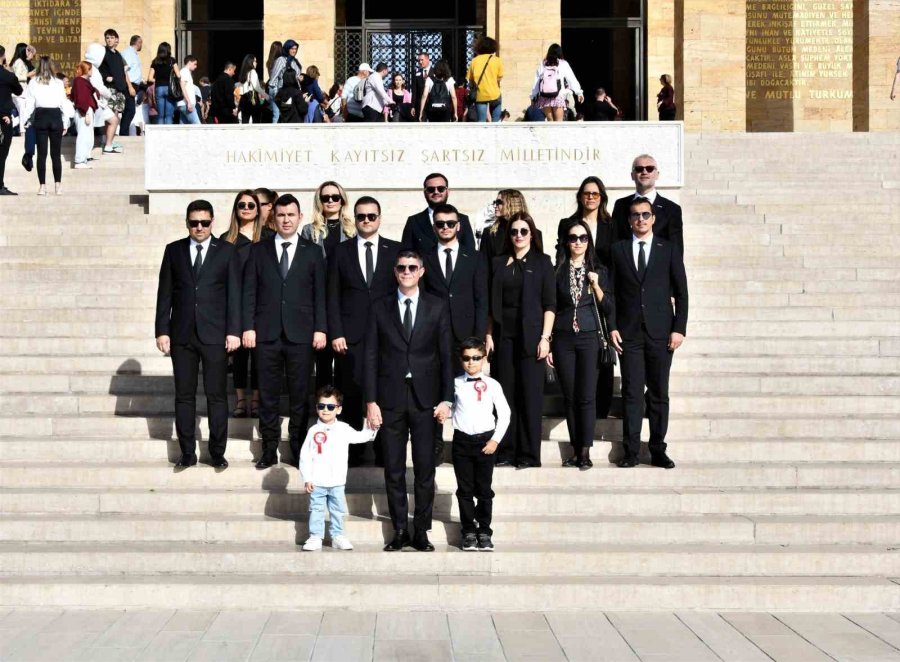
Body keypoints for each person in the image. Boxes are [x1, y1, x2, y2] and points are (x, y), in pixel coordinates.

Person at [364, 251, 454, 552]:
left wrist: (446, 399)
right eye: (401, 267)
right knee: (393, 468)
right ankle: (400, 529)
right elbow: (371, 357)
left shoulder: (437, 307)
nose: (406, 271)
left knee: (425, 469)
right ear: (395, 271)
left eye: (412, 267)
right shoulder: (379, 308)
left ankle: (421, 530)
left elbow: (445, 356)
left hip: (426, 401)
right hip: (389, 400)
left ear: (422, 271)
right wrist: (371, 401)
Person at [154, 199, 242, 469]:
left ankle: (217, 452)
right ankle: (187, 452)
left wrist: (234, 331)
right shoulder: (174, 251)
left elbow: (234, 296)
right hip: (182, 335)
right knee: (184, 395)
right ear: (187, 223)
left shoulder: (226, 251)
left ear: (212, 222)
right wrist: (161, 330)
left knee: (216, 395)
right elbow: (165, 293)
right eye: (194, 223)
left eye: (204, 222)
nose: (200, 227)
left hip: (215, 335)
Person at [242, 194, 327, 469]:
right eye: (281, 215)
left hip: (301, 335)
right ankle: (268, 448)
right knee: (267, 394)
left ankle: (298, 448)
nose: (286, 219)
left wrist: (321, 329)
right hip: (266, 334)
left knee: (300, 395)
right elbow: (249, 293)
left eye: (291, 214)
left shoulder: (313, 252)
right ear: (273, 218)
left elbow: (320, 295)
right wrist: (247, 327)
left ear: (300, 217)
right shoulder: (258, 250)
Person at [608, 197, 689, 470]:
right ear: (629, 219)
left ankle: (657, 449)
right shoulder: (618, 250)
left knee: (658, 394)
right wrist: (612, 326)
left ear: (653, 218)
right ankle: (630, 451)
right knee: (631, 393)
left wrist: (679, 328)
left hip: (661, 333)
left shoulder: (668, 250)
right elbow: (613, 294)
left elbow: (682, 293)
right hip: (629, 334)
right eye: (635, 215)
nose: (640, 219)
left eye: (645, 214)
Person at [327, 196, 401, 466]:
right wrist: (335, 332)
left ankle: (384, 452)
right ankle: (353, 454)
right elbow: (332, 295)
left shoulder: (396, 251)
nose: (366, 221)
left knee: (385, 395)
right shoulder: (340, 251)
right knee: (352, 392)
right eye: (361, 216)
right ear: (354, 219)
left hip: (387, 337)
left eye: (371, 216)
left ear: (379, 218)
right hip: (350, 337)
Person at [421, 202, 489, 463]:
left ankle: (468, 444)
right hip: (435, 335)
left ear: (459, 226)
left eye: (450, 223)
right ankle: (436, 445)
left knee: (469, 392)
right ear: (434, 226)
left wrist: (479, 338)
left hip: (466, 336)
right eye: (440, 224)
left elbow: (481, 299)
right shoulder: (424, 256)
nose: (446, 228)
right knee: (437, 391)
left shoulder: (474, 257)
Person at [486, 213, 555, 468]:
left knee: (530, 397)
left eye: (523, 231)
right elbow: (491, 307)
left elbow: (550, 304)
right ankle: (505, 450)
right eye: (514, 231)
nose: (518, 236)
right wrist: (489, 334)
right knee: (505, 397)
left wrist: (545, 338)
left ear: (531, 234)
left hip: (532, 338)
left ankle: (528, 454)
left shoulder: (543, 262)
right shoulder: (497, 263)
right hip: (504, 338)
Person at [549, 219, 613, 470]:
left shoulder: (600, 270)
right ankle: (576, 449)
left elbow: (608, 307)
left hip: (589, 337)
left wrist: (596, 284)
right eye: (573, 238)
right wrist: (550, 341)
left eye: (583, 238)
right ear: (566, 242)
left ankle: (585, 451)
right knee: (570, 396)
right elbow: (551, 307)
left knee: (586, 396)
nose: (578, 242)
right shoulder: (557, 271)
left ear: (589, 241)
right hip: (563, 337)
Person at [555, 176, 617, 421]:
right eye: (586, 193)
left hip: (602, 284)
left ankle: (600, 408)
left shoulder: (611, 224)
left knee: (603, 350)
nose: (591, 197)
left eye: (595, 193)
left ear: (602, 197)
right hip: (576, 288)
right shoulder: (568, 223)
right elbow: (561, 252)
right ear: (580, 196)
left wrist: (601, 283)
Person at [445, 337, 510, 551]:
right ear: (460, 360)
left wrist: (495, 440)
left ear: (484, 358)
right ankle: (468, 531)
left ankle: (484, 530)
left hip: (485, 442)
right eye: (466, 358)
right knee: (464, 490)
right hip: (462, 442)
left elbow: (505, 414)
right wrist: (445, 412)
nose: (470, 362)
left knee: (483, 490)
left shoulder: (493, 385)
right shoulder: (454, 384)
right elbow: (454, 409)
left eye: (475, 358)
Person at [299, 386, 376, 551]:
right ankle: (315, 536)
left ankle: (337, 536)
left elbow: (361, 437)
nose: (325, 410)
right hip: (317, 482)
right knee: (316, 510)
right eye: (321, 406)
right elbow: (305, 456)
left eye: (330, 407)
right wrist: (307, 478)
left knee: (337, 510)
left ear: (338, 409)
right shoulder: (313, 431)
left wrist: (372, 426)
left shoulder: (343, 428)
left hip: (337, 482)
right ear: (316, 408)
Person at [301, 181, 356, 390]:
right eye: (326, 198)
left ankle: (342, 410)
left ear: (342, 200)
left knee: (344, 360)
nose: (331, 201)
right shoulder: (309, 231)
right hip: (319, 300)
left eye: (335, 197)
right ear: (319, 201)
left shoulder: (352, 229)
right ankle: (323, 407)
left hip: (344, 301)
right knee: (322, 361)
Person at [221, 190, 267, 419]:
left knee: (259, 355)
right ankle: (240, 399)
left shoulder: (268, 237)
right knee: (238, 355)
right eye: (242, 205)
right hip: (234, 302)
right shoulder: (225, 240)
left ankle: (257, 399)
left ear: (258, 209)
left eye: (251, 204)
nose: (247, 208)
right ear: (236, 209)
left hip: (262, 304)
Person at [612, 154, 684, 254]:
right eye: (639, 169)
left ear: (657, 174)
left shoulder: (672, 209)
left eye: (649, 169)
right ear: (632, 175)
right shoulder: (620, 205)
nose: (644, 172)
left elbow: (677, 250)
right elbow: (615, 241)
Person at [24, 56, 73, 196]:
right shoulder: (58, 82)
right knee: (55, 154)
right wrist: (66, 121)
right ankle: (58, 186)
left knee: (42, 154)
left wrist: (25, 121)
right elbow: (63, 102)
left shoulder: (33, 82)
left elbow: (29, 104)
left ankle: (42, 187)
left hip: (41, 116)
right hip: (55, 116)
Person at [402, 173, 476, 253]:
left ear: (447, 191)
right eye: (431, 189)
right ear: (425, 193)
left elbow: (470, 252)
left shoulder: (462, 219)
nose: (436, 192)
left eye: (441, 188)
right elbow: (406, 254)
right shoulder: (413, 221)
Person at [84, 43, 122, 154]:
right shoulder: (92, 69)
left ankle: (106, 143)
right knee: (114, 120)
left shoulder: (89, 66)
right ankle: (108, 146)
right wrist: (109, 94)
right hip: (96, 103)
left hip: (95, 102)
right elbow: (98, 87)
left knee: (110, 120)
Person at [531, 43, 583, 122]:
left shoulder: (543, 64)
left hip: (545, 97)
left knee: (550, 121)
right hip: (558, 96)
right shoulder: (563, 64)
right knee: (558, 123)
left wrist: (533, 96)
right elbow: (571, 79)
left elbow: (537, 81)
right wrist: (579, 92)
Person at [479, 189, 530, 266]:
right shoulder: (490, 233)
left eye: (499, 202)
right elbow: (483, 266)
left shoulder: (532, 232)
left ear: (511, 205)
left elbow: (538, 265)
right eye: (495, 202)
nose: (495, 206)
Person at [100, 29, 136, 137]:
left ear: (116, 39)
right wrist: (106, 77)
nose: (109, 40)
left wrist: (127, 86)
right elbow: (98, 67)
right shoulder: (103, 52)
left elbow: (123, 72)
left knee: (116, 113)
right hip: (110, 88)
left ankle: (112, 138)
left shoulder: (118, 54)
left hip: (120, 88)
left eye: (112, 38)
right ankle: (106, 139)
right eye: (107, 38)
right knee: (110, 115)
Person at [0, 45, 24, 195]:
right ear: (2, 56)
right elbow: (19, 90)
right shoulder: (7, 76)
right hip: (4, 119)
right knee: (2, 154)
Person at [11, 44, 36, 172]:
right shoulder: (18, 62)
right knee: (22, 110)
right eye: (26, 49)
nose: (28, 52)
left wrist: (31, 53)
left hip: (23, 91)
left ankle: (18, 127)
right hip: (18, 92)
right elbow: (17, 76)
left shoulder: (23, 61)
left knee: (24, 111)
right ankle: (22, 130)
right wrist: (28, 75)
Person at [466, 36, 503, 123]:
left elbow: (470, 79)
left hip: (481, 95)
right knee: (496, 122)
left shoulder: (474, 61)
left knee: (481, 122)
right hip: (495, 94)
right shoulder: (497, 60)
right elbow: (500, 77)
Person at [71, 61, 99, 169]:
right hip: (84, 111)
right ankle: (79, 160)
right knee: (83, 136)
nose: (92, 71)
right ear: (86, 69)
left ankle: (84, 157)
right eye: (90, 69)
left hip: (86, 110)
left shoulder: (82, 81)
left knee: (87, 135)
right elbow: (82, 99)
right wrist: (85, 112)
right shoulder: (80, 81)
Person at [147, 42, 178, 125]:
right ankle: (168, 136)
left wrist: (157, 80)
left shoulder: (155, 61)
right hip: (170, 89)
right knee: (169, 115)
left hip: (159, 88)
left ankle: (159, 136)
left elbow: (149, 78)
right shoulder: (172, 60)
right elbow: (178, 75)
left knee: (160, 115)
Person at [267, 40, 301, 112]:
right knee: (278, 116)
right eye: (292, 48)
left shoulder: (295, 61)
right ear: (287, 48)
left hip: (294, 94)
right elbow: (273, 79)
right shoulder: (281, 60)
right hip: (283, 94)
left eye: (295, 49)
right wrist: (276, 95)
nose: (294, 51)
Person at [237, 54, 268, 124]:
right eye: (255, 61)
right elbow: (257, 87)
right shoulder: (253, 72)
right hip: (252, 99)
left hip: (244, 99)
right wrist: (267, 97)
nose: (256, 63)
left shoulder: (243, 73)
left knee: (245, 121)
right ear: (250, 62)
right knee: (256, 121)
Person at [176, 55, 199, 124]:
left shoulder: (186, 72)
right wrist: (188, 102)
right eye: (195, 64)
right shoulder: (184, 72)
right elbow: (182, 87)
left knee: (184, 129)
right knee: (198, 126)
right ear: (189, 62)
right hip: (186, 104)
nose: (196, 66)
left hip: (184, 104)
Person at [264, 40, 283, 122]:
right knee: (277, 113)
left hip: (271, 88)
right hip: (276, 87)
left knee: (275, 111)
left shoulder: (269, 62)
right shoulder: (279, 61)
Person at [412, 51, 432, 117]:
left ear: (427, 59)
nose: (420, 62)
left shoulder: (435, 72)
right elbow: (414, 91)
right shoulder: (417, 73)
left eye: (422, 60)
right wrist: (413, 106)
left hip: (432, 104)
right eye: (419, 60)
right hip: (420, 105)